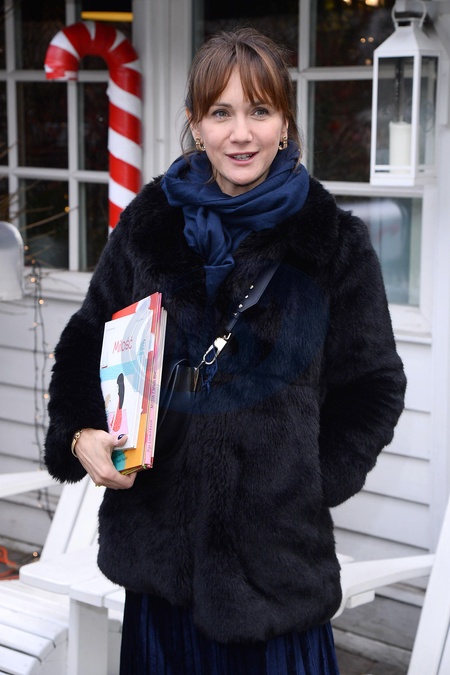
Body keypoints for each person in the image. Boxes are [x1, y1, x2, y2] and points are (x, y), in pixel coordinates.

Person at [44, 27, 406, 675]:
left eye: (260, 111)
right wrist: (80, 433)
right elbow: (86, 339)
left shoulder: (332, 244)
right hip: (159, 571)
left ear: (285, 121)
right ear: (195, 122)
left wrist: (307, 482)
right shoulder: (149, 224)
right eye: (221, 113)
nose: (241, 134)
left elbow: (373, 384)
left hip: (273, 583)